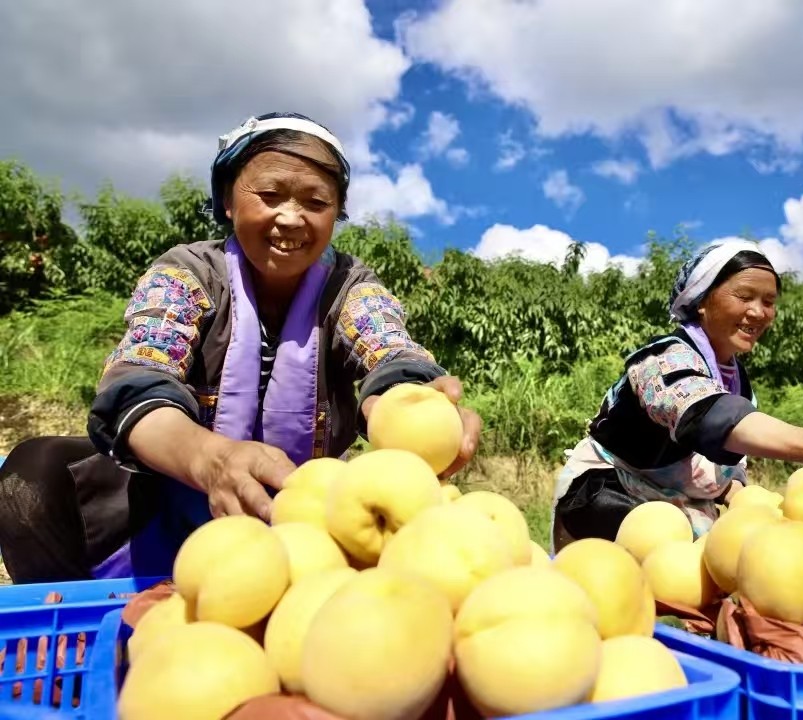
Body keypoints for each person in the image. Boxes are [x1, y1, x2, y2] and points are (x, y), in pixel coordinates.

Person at [0, 112, 481, 584]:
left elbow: (388, 346)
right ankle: (79, 633)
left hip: (306, 519)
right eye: (269, 195)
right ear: (228, 200)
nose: (291, 218)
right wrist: (211, 460)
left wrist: (405, 402)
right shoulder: (188, 272)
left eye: (316, 202)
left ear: (336, 214)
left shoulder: (348, 285)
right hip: (173, 499)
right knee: (33, 473)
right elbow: (138, 379)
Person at [550, 239, 803, 550]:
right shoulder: (664, 360)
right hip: (608, 497)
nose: (759, 313)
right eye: (745, 296)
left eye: (769, 301)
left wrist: (750, 501)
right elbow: (707, 416)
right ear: (702, 300)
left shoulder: (736, 380)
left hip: (680, 511)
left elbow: (728, 462)